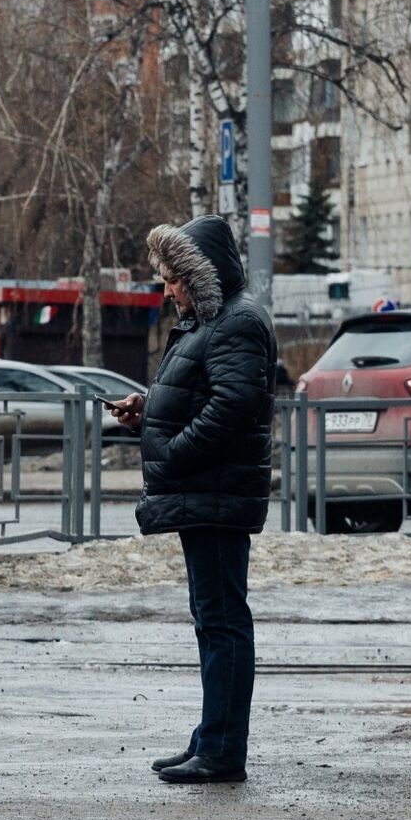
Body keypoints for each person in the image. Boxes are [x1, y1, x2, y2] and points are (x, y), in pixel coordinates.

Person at [113, 215, 275, 785]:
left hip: (214, 490)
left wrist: (174, 452)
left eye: (174, 279)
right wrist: (148, 413)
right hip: (206, 489)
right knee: (214, 619)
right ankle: (212, 737)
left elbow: (232, 407)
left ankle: (224, 750)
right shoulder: (212, 322)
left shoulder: (236, 323)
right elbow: (203, 395)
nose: (167, 290)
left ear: (201, 276)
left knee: (223, 620)